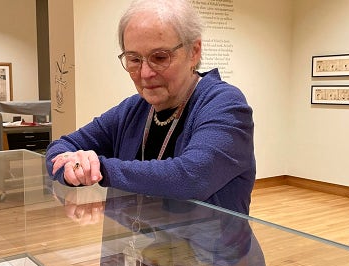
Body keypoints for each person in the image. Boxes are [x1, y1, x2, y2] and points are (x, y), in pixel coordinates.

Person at [46, 0, 255, 216]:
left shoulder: (225, 104)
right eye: (134, 59)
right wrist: (74, 167)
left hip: (210, 249)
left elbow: (191, 177)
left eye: (160, 57)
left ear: (194, 51)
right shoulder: (133, 109)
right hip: (134, 246)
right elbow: (61, 147)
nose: (145, 73)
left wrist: (98, 168)